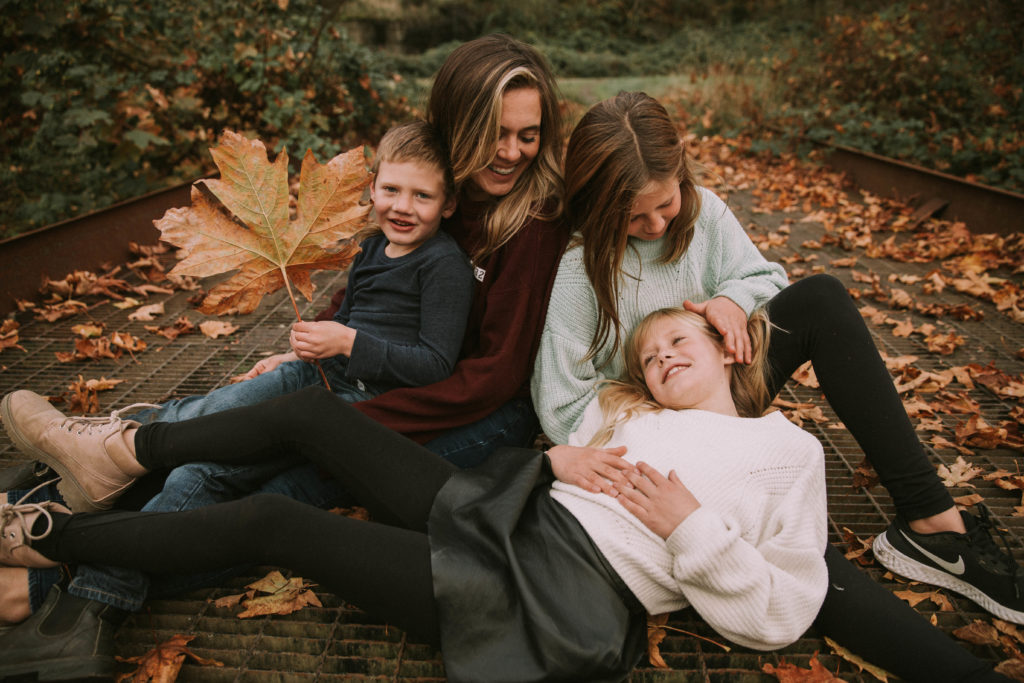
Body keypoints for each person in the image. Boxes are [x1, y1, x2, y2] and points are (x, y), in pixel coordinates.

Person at [0, 309, 1009, 682]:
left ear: (729, 348)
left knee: (276, 521)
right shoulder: (633, 415)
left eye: (680, 341)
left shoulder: (786, 453)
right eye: (650, 353)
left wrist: (694, 532)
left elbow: (779, 608)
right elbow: (563, 403)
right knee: (309, 412)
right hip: (506, 506)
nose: (662, 356)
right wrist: (558, 458)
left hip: (539, 589)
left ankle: (55, 538)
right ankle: (121, 451)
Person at [0, 34, 571, 678]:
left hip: (467, 416)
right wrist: (310, 359)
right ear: (457, 128)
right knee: (217, 460)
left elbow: (489, 378)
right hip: (376, 385)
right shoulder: (435, 189)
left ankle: (58, 575)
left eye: (529, 135)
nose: (512, 152)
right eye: (496, 133)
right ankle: (86, 484)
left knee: (274, 492)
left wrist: (333, 430)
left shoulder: (531, 222)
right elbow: (363, 296)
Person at [530, 91, 1024, 635]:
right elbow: (562, 404)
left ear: (682, 175)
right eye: (633, 216)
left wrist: (732, 301)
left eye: (665, 204)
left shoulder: (704, 211)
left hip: (723, 389)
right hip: (656, 438)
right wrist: (651, 404)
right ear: (599, 205)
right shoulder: (578, 267)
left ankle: (930, 522)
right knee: (792, 551)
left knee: (822, 299)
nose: (655, 225)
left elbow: (765, 277)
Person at [53, 118, 474, 512]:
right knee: (212, 409)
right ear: (373, 188)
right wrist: (293, 355)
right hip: (315, 375)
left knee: (203, 471)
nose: (403, 206)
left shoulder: (443, 265)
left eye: (422, 196)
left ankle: (121, 550)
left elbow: (434, 365)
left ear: (449, 203)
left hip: (358, 406)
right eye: (391, 190)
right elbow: (346, 318)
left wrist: (347, 343)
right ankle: (87, 450)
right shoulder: (371, 248)